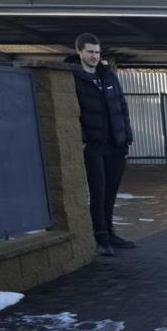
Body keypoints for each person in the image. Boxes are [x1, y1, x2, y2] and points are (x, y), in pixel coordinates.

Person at [65, 33, 135, 256]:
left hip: (116, 145)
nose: (95, 56)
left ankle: (110, 232)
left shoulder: (109, 77)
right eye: (90, 52)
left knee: (111, 192)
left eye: (97, 52)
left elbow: (122, 107)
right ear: (79, 51)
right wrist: (85, 140)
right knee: (98, 192)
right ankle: (100, 238)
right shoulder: (72, 77)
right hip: (93, 147)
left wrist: (127, 137)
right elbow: (72, 113)